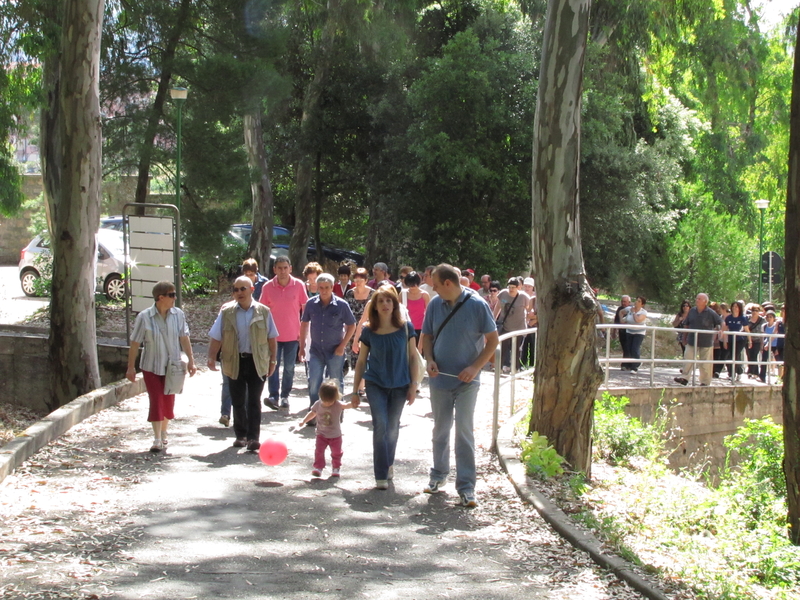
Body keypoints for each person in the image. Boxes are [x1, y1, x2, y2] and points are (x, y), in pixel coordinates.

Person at [422, 264, 498, 507]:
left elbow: (492, 341)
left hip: (467, 382)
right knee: (440, 430)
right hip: (440, 380)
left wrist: (475, 367)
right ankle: (438, 475)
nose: (432, 289)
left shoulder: (477, 305)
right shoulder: (434, 304)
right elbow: (427, 336)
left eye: (435, 284)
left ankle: (466, 487)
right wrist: (430, 360)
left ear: (447, 283)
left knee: (464, 433)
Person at [350, 285, 419, 489]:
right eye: (381, 301)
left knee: (392, 428)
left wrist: (414, 385)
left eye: (389, 301)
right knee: (380, 425)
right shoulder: (368, 330)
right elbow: (361, 361)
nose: (385, 304)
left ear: (395, 304)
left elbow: (413, 357)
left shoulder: (406, 328)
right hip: (375, 383)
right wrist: (355, 390)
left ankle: (388, 463)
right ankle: (380, 474)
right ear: (375, 306)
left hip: (400, 384)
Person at [207, 276, 278, 451]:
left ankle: (254, 438)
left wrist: (273, 361)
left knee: (254, 400)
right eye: (235, 289)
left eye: (242, 289)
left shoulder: (264, 311)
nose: (239, 292)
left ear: (252, 290)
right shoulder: (226, 312)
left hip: (257, 361)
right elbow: (216, 336)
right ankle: (241, 435)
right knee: (238, 400)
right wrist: (211, 357)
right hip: (234, 361)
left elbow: (272, 338)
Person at [126, 281, 197, 452]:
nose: (175, 298)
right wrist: (130, 367)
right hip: (151, 366)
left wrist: (191, 360)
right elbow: (135, 343)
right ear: (161, 297)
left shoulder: (178, 315)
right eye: (172, 295)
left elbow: (184, 338)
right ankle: (157, 438)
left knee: (167, 400)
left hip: (171, 366)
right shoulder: (144, 317)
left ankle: (164, 432)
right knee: (156, 399)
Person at [300, 273, 357, 413]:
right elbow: (304, 324)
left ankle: (337, 412)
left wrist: (342, 346)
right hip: (316, 350)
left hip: (335, 351)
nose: (324, 291)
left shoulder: (342, 305)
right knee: (314, 381)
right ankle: (314, 411)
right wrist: (302, 347)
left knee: (336, 381)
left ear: (332, 287)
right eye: (321, 288)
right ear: (317, 288)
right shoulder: (311, 304)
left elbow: (352, 325)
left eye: (327, 287)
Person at [258, 256, 308, 410]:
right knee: (273, 365)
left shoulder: (298, 285)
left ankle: (285, 396)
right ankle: (273, 396)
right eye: (279, 268)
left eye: (285, 268)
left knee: (289, 367)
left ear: (290, 268)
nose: (282, 271)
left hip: (293, 335)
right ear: (274, 270)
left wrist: (303, 332)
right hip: (272, 336)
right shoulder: (267, 287)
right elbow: (261, 310)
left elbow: (305, 308)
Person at [299, 380, 357, 477]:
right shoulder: (318, 404)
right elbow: (312, 413)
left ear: (335, 398)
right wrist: (304, 421)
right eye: (325, 401)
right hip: (321, 434)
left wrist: (353, 403)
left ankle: (336, 468)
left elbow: (346, 405)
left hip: (335, 435)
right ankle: (318, 467)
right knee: (319, 451)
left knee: (336, 453)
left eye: (330, 401)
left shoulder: (337, 404)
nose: (327, 403)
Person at [674, 293, 722, 386]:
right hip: (692, 339)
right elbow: (686, 324)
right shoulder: (692, 311)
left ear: (705, 301)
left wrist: (722, 331)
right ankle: (684, 378)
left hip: (706, 341)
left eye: (699, 299)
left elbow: (720, 322)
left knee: (705, 363)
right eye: (696, 298)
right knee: (688, 358)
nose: (697, 300)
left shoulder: (711, 312)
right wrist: (684, 338)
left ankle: (705, 381)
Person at [493, 277, 531, 373]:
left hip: (519, 327)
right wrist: (493, 319)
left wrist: (528, 320)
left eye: (513, 287)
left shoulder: (524, 297)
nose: (511, 289)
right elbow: (498, 306)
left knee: (516, 349)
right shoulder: (503, 294)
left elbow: (528, 309)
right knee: (502, 347)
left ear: (518, 287)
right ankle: (499, 368)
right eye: (509, 287)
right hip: (505, 325)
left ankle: (515, 368)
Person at [723, 300, 749, 382]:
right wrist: (724, 341)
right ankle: (732, 373)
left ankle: (738, 373)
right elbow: (725, 330)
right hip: (731, 339)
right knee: (730, 356)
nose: (735, 308)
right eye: (733, 306)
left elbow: (747, 330)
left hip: (740, 340)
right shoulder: (728, 318)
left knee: (736, 355)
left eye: (736, 307)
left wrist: (750, 340)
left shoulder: (743, 318)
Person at [621, 296, 647, 372]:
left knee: (635, 348)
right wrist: (621, 320)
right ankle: (630, 364)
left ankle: (635, 366)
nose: (636, 302)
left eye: (639, 301)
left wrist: (633, 312)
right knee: (629, 348)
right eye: (636, 300)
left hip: (639, 332)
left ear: (642, 304)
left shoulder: (643, 312)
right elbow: (621, 312)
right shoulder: (629, 309)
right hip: (629, 331)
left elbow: (638, 320)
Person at [401, 271, 429, 341]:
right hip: (406, 327)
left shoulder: (424, 295)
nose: (413, 286)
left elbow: (428, 313)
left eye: (415, 284)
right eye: (410, 284)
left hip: (421, 328)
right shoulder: (403, 294)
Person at [745, 304, 766, 382]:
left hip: (757, 341)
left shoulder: (762, 320)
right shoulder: (747, 319)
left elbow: (764, 330)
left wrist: (762, 343)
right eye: (753, 310)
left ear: (759, 311)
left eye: (756, 310)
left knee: (754, 355)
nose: (754, 312)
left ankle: (753, 372)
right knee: (749, 355)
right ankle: (751, 371)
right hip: (748, 340)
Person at [613, 296, 631, 367]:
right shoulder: (619, 309)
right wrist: (614, 332)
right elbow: (616, 321)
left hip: (629, 332)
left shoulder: (631, 310)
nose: (623, 303)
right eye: (622, 301)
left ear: (629, 302)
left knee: (628, 348)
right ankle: (626, 364)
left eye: (625, 302)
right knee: (624, 348)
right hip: (622, 331)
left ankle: (625, 364)